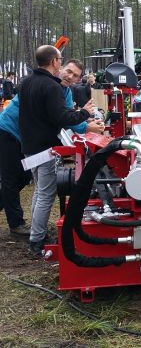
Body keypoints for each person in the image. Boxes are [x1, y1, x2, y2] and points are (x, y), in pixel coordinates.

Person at [18, 46, 95, 255]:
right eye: (60, 60)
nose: (61, 63)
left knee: (39, 192)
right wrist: (84, 113)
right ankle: (37, 240)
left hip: (30, 146)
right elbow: (61, 118)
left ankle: (37, 232)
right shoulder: (51, 87)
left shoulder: (27, 82)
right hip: (46, 149)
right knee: (46, 194)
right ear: (54, 62)